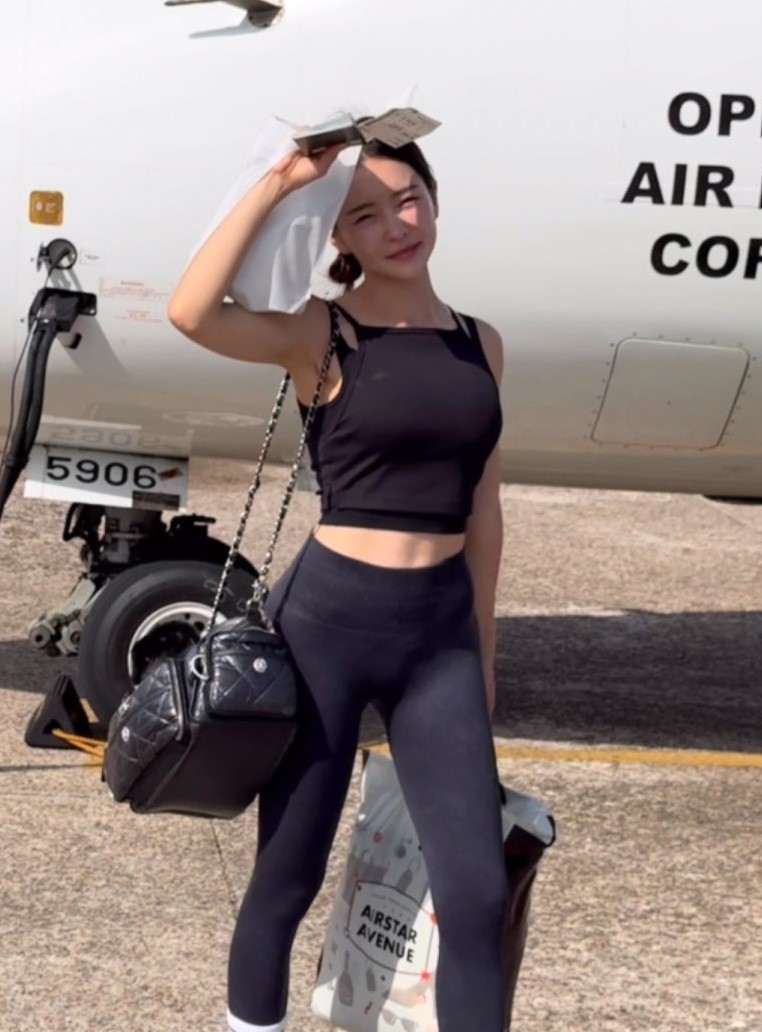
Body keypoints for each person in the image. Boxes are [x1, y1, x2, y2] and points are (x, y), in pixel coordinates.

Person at [167, 134, 509, 1032]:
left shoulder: (480, 344)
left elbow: (484, 508)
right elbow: (192, 312)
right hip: (326, 624)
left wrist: (483, 648)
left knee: (478, 895)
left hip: (438, 638)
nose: (396, 224)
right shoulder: (323, 332)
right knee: (287, 877)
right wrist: (284, 180)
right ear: (339, 238)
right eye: (364, 214)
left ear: (434, 199)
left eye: (408, 199)